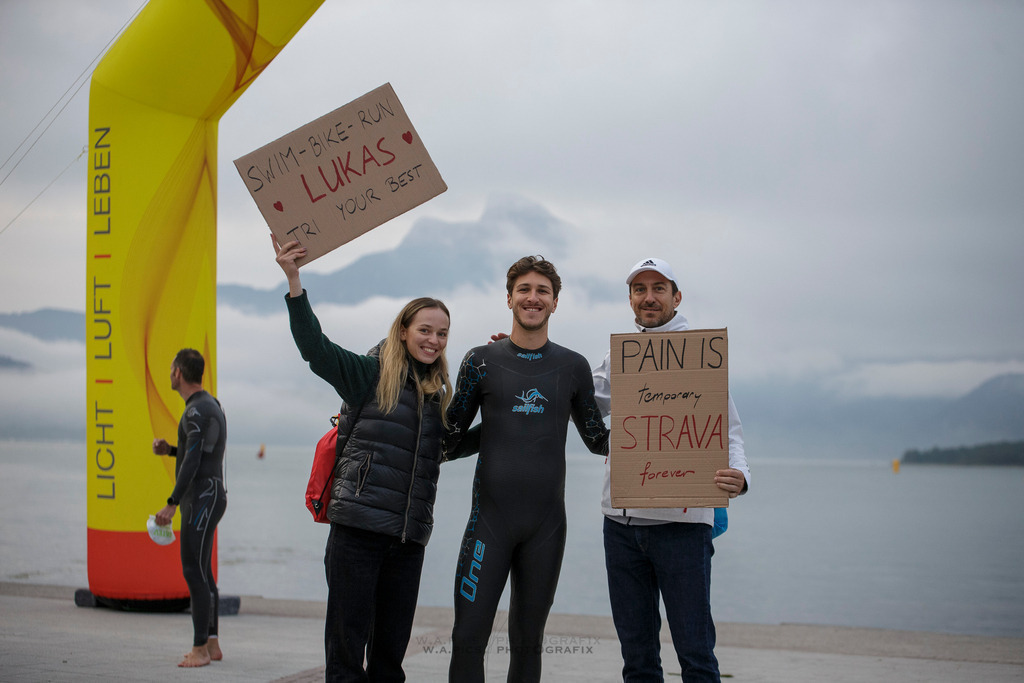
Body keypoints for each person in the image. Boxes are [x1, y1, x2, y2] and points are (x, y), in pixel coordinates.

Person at [273, 235, 453, 683]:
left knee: (390, 660)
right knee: (346, 656)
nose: (433, 340)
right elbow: (316, 349)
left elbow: (449, 447)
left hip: (409, 541)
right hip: (358, 532)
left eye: (442, 333)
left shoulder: (436, 396)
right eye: (425, 330)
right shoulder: (369, 375)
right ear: (404, 330)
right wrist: (295, 281)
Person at [443, 255, 610, 682]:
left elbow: (598, 441)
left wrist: (658, 419)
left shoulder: (573, 367)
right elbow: (447, 440)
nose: (533, 298)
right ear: (509, 298)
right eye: (524, 290)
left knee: (529, 640)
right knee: (467, 638)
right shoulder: (480, 360)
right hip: (489, 524)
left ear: (555, 303)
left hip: (546, 527)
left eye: (542, 291)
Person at [592, 257, 750, 683]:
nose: (649, 297)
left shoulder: (703, 353)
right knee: (637, 656)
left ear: (676, 297)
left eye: (658, 288)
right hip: (620, 524)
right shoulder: (617, 356)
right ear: (630, 300)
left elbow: (727, 428)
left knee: (696, 653)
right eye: (640, 289)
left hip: (683, 526)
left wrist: (741, 475)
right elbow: (578, 397)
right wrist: (523, 357)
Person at [151, 348, 228, 668]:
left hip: (200, 499)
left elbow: (195, 460)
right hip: (212, 495)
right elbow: (199, 451)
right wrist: (171, 449)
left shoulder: (195, 412)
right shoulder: (209, 406)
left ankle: (198, 650)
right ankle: (211, 644)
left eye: (171, 369)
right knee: (204, 572)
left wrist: (171, 503)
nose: (170, 374)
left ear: (178, 373)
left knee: (193, 571)